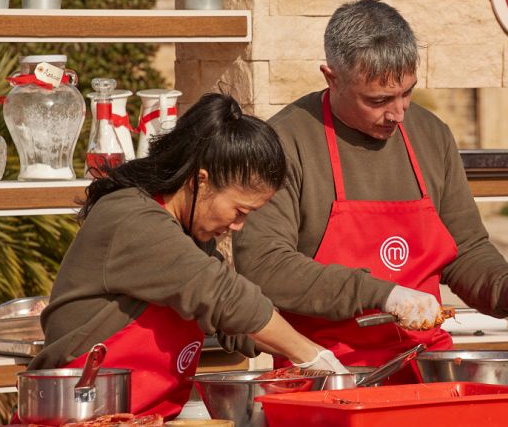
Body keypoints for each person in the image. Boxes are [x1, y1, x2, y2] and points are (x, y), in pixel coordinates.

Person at [232, 0, 508, 382]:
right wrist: (383, 294)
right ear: (331, 77)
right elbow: (265, 265)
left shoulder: (431, 135)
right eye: (378, 100)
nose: (398, 113)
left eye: (407, 93)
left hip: (427, 368)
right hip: (325, 371)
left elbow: (465, 248)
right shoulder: (285, 141)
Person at [27, 93, 348, 421]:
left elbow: (233, 322)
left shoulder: (190, 235)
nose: (237, 226)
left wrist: (308, 351)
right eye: (239, 211)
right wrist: (309, 354)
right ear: (200, 181)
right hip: (77, 414)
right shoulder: (131, 219)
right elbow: (224, 296)